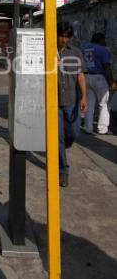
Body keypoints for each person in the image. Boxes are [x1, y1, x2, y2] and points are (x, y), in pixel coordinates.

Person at [57, 22, 88, 187]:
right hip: (53, 102)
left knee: (74, 133)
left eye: (66, 36)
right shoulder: (48, 52)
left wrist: (84, 97)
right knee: (59, 137)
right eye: (61, 35)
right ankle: (63, 170)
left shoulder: (75, 52)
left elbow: (81, 76)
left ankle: (60, 149)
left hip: (71, 100)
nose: (63, 39)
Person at [81, 33, 116, 135]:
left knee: (89, 104)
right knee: (104, 104)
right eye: (104, 40)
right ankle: (102, 129)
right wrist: (111, 82)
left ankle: (88, 128)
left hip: (86, 76)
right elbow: (106, 67)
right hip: (99, 77)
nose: (105, 42)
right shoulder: (103, 50)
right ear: (100, 40)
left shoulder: (84, 48)